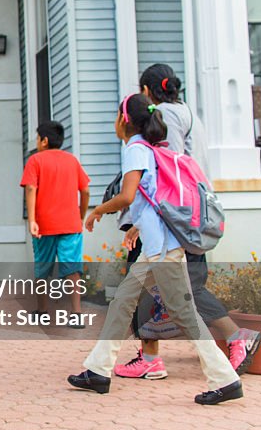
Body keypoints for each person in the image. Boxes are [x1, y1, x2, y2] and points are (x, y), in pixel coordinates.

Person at [69, 93, 244, 405]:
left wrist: (97, 210)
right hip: (157, 247)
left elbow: (127, 195)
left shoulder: (135, 148)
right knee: (124, 299)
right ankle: (98, 370)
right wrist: (137, 227)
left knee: (183, 313)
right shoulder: (148, 149)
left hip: (163, 251)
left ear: (124, 121)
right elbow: (152, 200)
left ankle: (225, 379)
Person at [114, 64, 261, 380]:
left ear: (145, 91)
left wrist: (142, 220)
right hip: (190, 215)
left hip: (173, 219)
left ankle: (235, 337)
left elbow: (166, 174)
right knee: (164, 287)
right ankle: (149, 355)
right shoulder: (187, 113)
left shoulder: (164, 117)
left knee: (176, 289)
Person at [20, 120, 90, 326]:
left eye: (38, 137)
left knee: (42, 268)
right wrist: (80, 215)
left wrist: (32, 220)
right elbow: (85, 190)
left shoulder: (36, 160)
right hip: (70, 224)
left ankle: (42, 311)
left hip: (44, 225)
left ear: (45, 140)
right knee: (73, 270)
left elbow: (30, 188)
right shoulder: (72, 161)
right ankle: (76, 314)